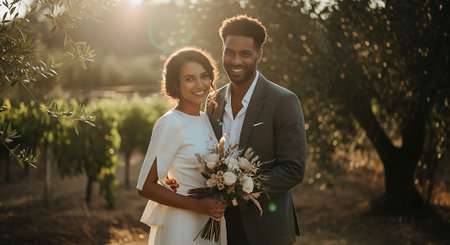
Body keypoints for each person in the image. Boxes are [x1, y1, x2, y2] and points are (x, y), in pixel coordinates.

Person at [187, 15, 307, 245]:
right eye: (229, 52)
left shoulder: (283, 101)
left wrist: (238, 189)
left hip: (266, 229)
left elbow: (294, 168)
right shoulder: (213, 101)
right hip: (218, 226)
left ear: (259, 55)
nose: (235, 60)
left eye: (245, 53)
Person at [136, 47, 228, 245]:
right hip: (183, 224)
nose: (200, 84)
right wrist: (198, 206)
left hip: (208, 220)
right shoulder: (170, 123)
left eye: (204, 76)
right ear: (175, 85)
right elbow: (145, 186)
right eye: (189, 78)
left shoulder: (204, 118)